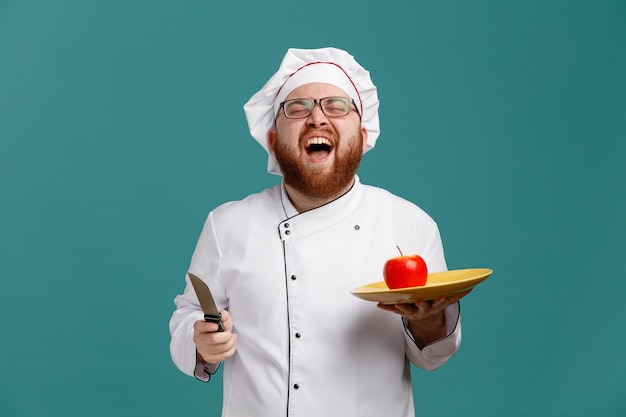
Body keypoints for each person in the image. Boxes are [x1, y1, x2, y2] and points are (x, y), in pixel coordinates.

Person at [169, 47, 471, 417]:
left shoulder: (409, 223)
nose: (316, 118)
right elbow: (189, 315)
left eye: (336, 105)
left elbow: (434, 354)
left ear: (361, 136)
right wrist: (200, 339)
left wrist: (426, 319)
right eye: (296, 108)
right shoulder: (227, 225)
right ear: (273, 141)